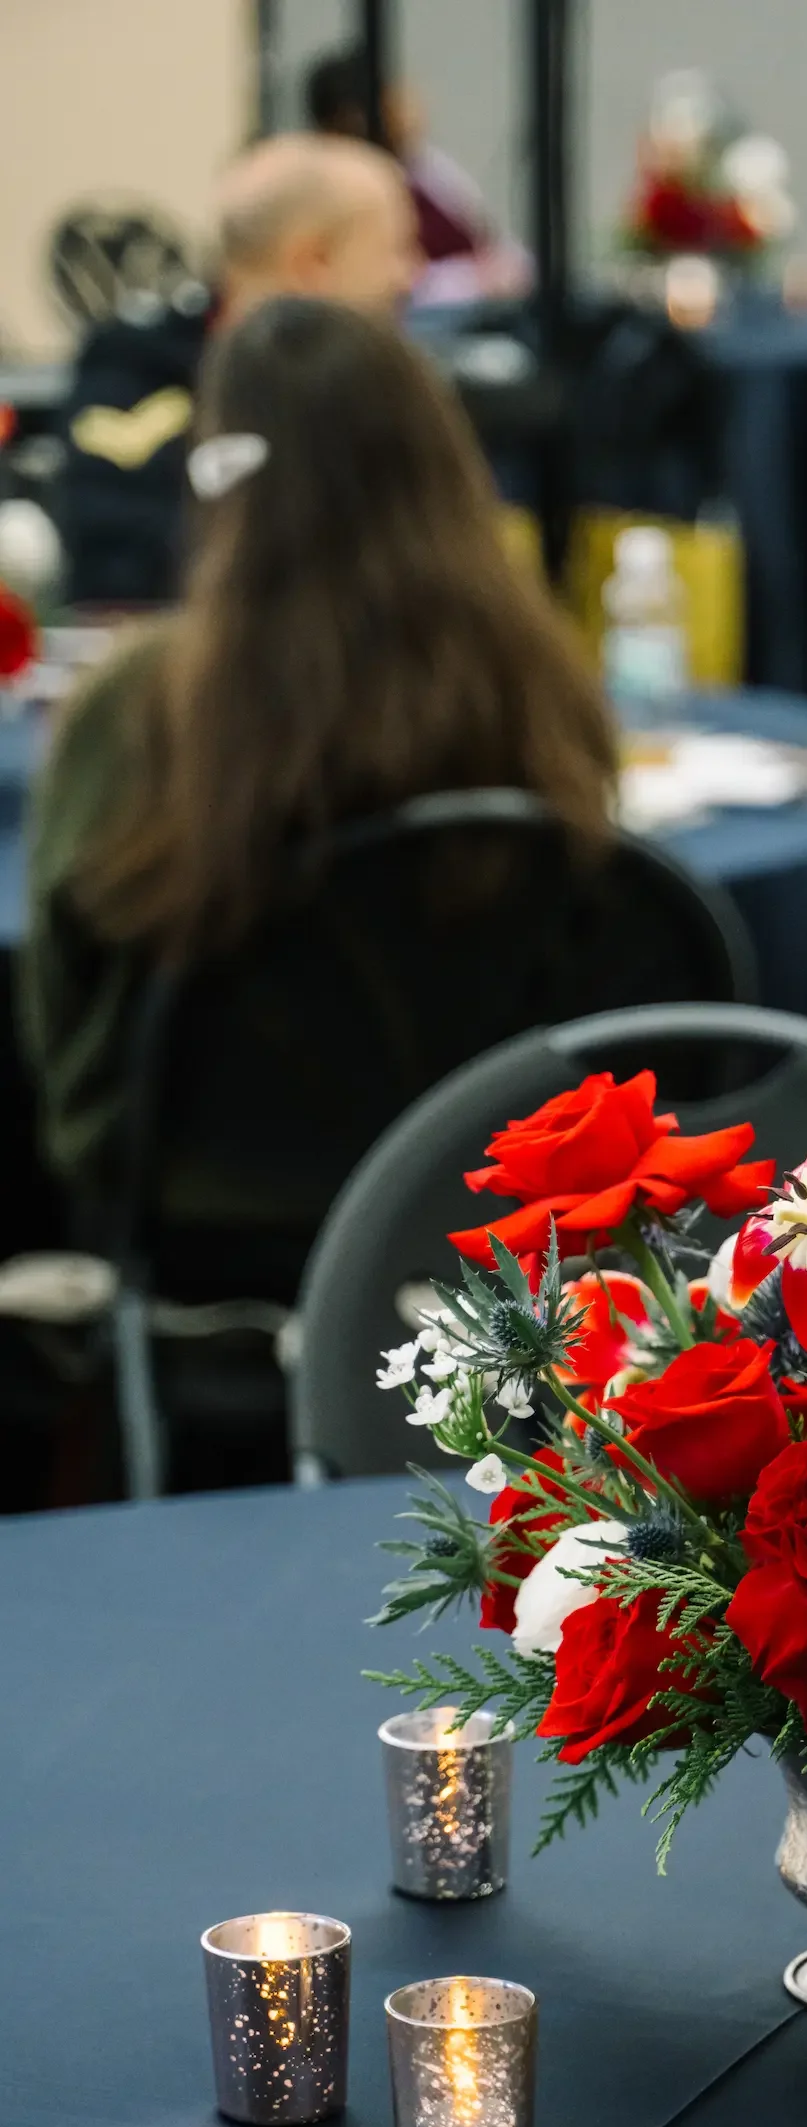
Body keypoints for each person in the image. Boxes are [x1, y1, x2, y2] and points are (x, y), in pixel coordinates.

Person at [22, 293, 627, 1308]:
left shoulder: (138, 708)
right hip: (497, 1235)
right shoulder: (539, 687)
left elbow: (68, 1028)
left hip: (202, 1230)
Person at [59, 134, 419, 608]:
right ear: (312, 262)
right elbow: (118, 563)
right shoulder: (138, 374)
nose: (409, 277)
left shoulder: (395, 393)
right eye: (395, 250)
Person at [305, 48, 533, 306]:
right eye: (394, 97)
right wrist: (475, 281)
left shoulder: (426, 165)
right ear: (353, 117)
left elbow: (489, 241)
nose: (412, 104)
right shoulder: (342, 191)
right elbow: (390, 285)